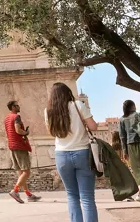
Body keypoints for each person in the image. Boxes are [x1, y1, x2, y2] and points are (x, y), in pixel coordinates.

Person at [44, 82, 98, 222]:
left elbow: (51, 132)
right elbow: (93, 127)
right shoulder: (78, 105)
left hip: (61, 155)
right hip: (82, 153)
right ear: (68, 92)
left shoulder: (48, 111)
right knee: (87, 197)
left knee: (72, 195)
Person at [4, 100, 41, 203]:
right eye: (17, 105)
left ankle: (28, 194)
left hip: (12, 145)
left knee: (20, 172)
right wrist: (26, 132)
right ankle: (15, 191)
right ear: (12, 107)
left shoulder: (7, 118)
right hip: (20, 145)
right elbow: (17, 130)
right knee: (26, 171)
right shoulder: (16, 117)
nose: (19, 107)